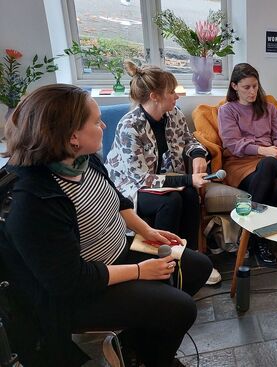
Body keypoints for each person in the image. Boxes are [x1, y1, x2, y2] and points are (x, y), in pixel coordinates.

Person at [1, 84, 213, 366]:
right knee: (182, 309)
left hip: (116, 253)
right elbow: (70, 281)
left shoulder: (83, 160)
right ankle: (152, 359)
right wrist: (140, 271)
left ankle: (139, 341)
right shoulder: (32, 200)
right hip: (84, 289)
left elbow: (118, 198)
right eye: (96, 121)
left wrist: (146, 231)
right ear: (72, 136)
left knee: (198, 266)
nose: (103, 125)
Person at [104, 61, 221, 284]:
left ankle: (191, 257)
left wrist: (197, 154)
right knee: (171, 201)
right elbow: (141, 178)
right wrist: (189, 178)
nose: (177, 97)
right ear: (155, 96)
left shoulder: (174, 115)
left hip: (165, 180)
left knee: (188, 194)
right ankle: (163, 264)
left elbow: (188, 141)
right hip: (131, 188)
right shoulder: (130, 126)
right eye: (171, 92)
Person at [218, 63, 277, 266]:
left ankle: (246, 237)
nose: (252, 91)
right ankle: (260, 241)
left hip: (269, 161)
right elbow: (232, 144)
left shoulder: (269, 108)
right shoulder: (227, 110)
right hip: (240, 163)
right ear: (234, 86)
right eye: (246, 87)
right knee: (276, 186)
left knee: (269, 164)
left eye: (255, 86)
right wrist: (263, 150)